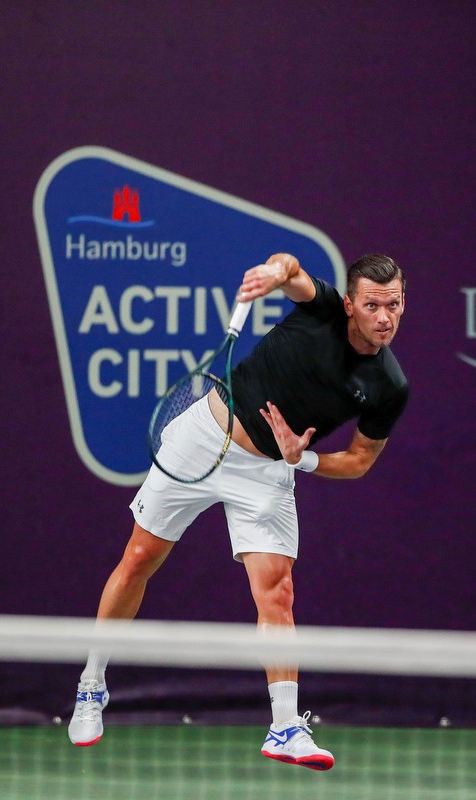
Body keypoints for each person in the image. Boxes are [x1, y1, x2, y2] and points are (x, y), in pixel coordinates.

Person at [68, 252, 408, 770]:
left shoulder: (389, 385)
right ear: (349, 305)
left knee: (278, 591)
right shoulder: (320, 311)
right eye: (373, 305)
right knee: (138, 558)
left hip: (269, 471)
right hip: (206, 436)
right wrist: (277, 273)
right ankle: (92, 683)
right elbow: (290, 270)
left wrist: (304, 457)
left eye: (395, 305)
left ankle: (285, 727)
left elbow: (360, 460)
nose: (385, 317)